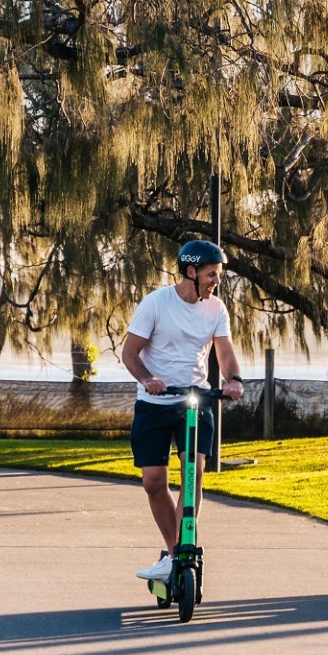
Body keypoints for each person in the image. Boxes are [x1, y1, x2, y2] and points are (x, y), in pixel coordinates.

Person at [121, 239, 244, 581]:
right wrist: (148, 379)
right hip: (154, 404)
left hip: (195, 401)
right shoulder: (156, 304)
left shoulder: (216, 309)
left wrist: (234, 380)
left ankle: (183, 553)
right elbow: (129, 353)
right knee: (153, 481)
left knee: (194, 473)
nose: (216, 281)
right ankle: (174, 553)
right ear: (191, 272)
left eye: (217, 274)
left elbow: (224, 352)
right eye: (211, 274)